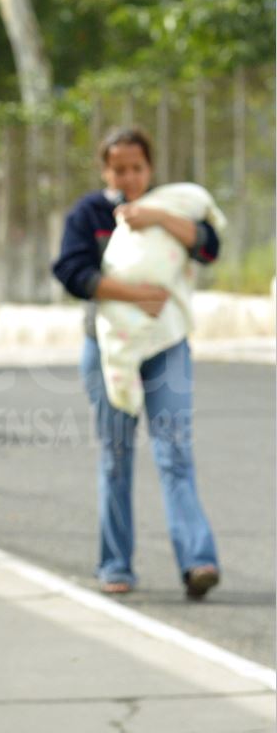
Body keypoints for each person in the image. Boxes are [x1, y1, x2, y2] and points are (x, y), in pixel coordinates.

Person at [51, 126, 222, 599]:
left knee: (174, 452)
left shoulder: (171, 206)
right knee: (116, 456)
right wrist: (134, 294)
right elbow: (71, 271)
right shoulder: (89, 213)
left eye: (137, 167)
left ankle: (198, 561)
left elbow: (208, 246)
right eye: (119, 168)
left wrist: (157, 219)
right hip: (109, 349)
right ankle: (115, 564)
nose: (128, 176)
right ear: (105, 169)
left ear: (150, 168)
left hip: (166, 346)